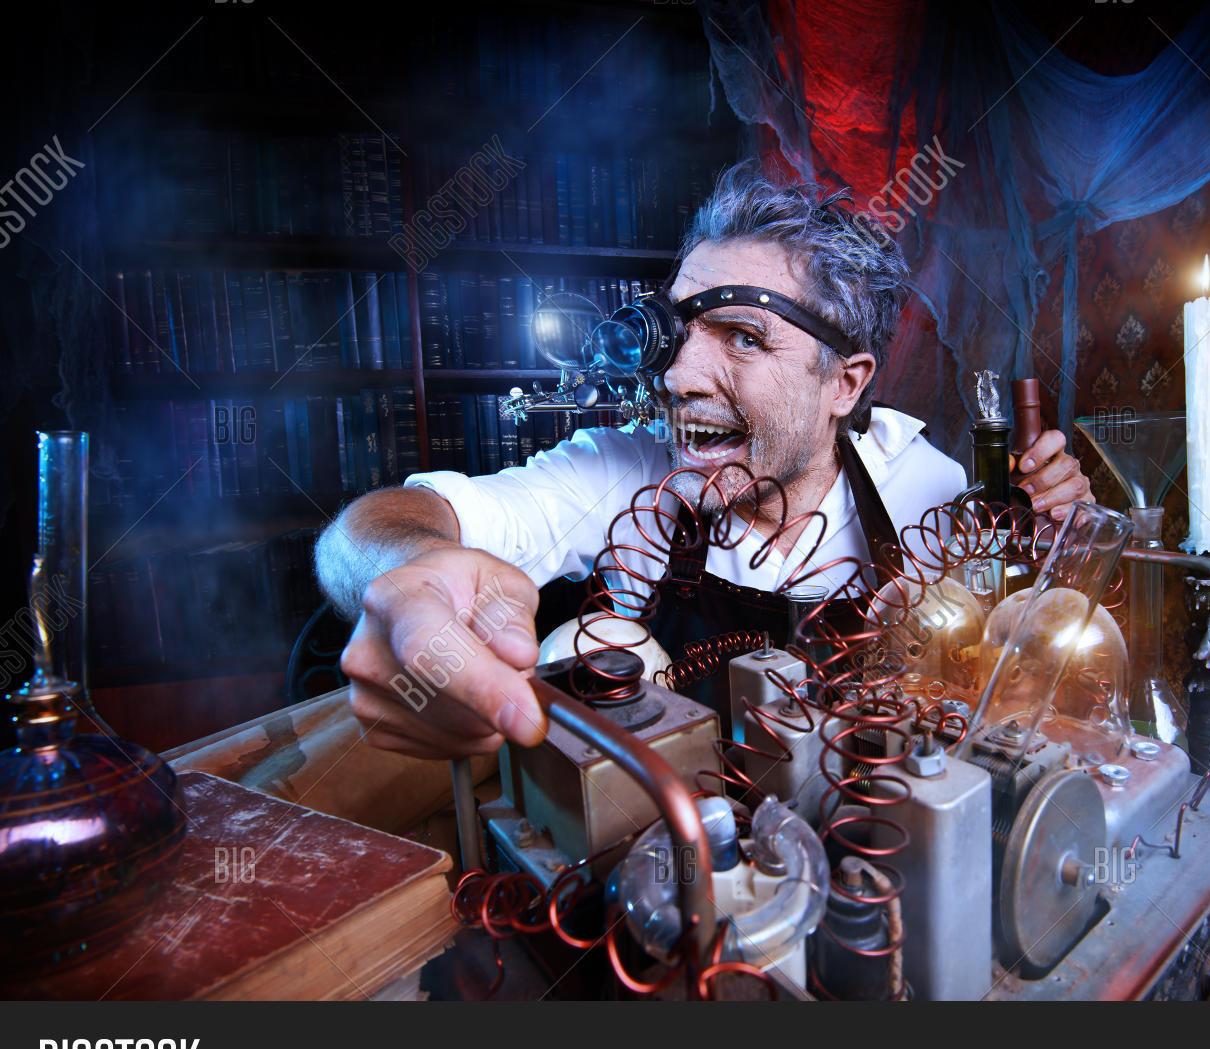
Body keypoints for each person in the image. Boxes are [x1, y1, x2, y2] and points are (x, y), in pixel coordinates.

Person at [315, 161, 1093, 759]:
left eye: (745, 337)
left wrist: (1069, 535)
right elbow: (372, 528)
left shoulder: (928, 484)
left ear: (845, 384)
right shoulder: (619, 473)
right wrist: (406, 578)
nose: (679, 377)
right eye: (681, 333)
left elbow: (1025, 669)